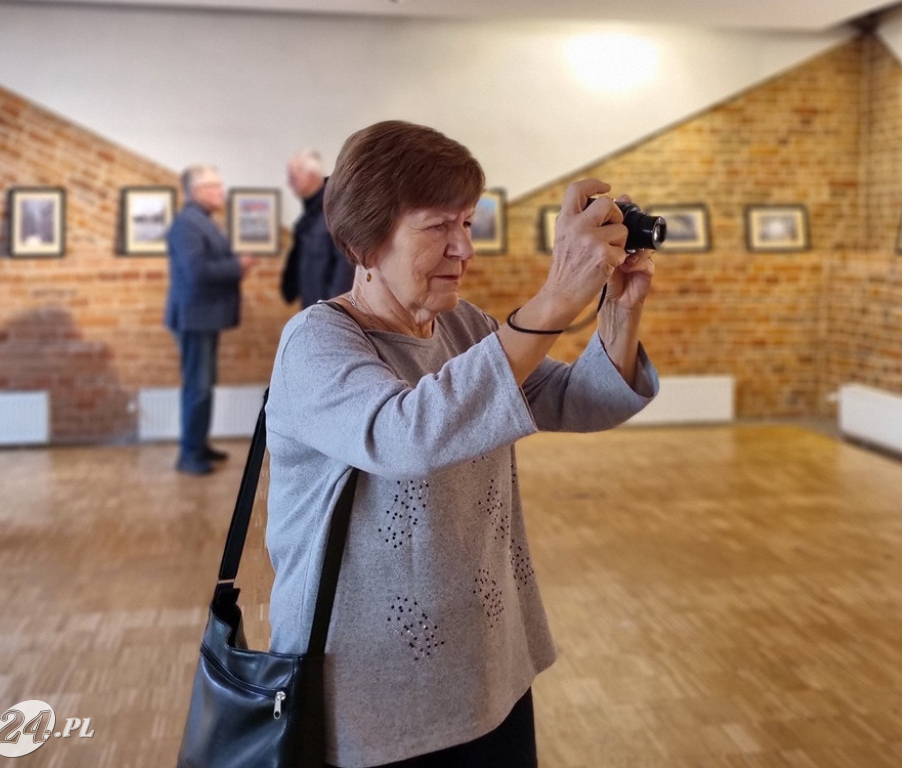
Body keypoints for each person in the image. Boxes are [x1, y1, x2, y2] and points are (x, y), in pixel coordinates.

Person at [264, 120, 659, 768]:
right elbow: (406, 435)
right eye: (437, 227)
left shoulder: (464, 325)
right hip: (371, 692)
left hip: (489, 668)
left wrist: (620, 308)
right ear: (364, 243)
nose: (463, 248)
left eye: (468, 223)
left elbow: (580, 400)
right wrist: (558, 296)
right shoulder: (317, 341)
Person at [164, 165, 254, 476]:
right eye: (215, 186)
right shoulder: (188, 224)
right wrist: (238, 266)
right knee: (198, 387)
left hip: (203, 316)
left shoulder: (200, 220)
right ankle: (189, 453)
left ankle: (198, 445)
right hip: (194, 317)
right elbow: (197, 272)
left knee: (203, 385)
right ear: (197, 191)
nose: (221, 192)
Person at [280, 149, 354, 308]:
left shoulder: (333, 212)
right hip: (313, 309)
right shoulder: (309, 218)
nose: (289, 183)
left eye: (293, 177)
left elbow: (345, 269)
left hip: (330, 312)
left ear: (312, 176)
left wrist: (335, 311)